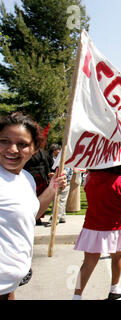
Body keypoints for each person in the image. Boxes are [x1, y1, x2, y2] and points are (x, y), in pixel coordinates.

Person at [0, 112, 67, 300]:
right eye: (4, 141)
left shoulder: (26, 178)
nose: (12, 149)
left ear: (34, 149)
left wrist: (53, 188)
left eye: (22, 144)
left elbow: (33, 214)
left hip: (10, 285)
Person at [72, 163, 121, 300]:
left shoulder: (91, 178)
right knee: (117, 257)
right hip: (114, 226)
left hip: (92, 225)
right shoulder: (118, 180)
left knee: (88, 263)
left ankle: (77, 296)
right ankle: (115, 287)